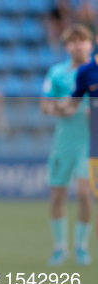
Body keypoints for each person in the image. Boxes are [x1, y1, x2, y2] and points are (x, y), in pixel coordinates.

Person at [43, 25, 94, 266]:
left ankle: (81, 247)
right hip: (64, 141)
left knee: (85, 194)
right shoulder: (56, 73)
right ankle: (60, 248)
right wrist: (58, 108)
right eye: (73, 41)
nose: (78, 45)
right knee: (57, 197)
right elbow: (45, 105)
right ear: (66, 47)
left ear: (90, 44)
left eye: (82, 41)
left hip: (90, 142)